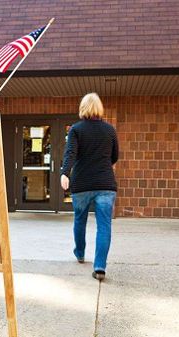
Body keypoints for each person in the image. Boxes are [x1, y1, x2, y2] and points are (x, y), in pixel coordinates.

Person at [60, 93, 118, 281]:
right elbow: (115, 156)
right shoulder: (110, 130)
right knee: (104, 226)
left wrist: (64, 173)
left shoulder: (76, 129)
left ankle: (80, 253)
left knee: (80, 220)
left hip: (82, 183)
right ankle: (100, 266)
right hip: (105, 184)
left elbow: (70, 153)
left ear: (83, 108)